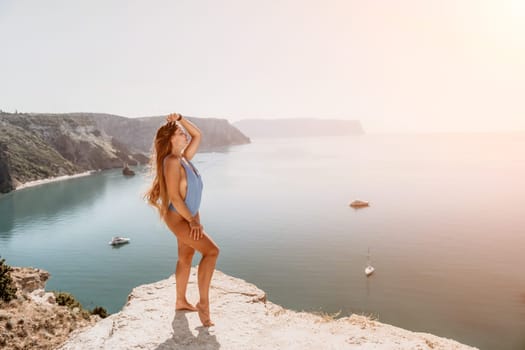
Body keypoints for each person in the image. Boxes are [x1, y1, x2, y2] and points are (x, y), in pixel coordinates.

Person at [144, 112, 219, 327]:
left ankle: (180, 301)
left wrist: (180, 119)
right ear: (170, 139)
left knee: (186, 258)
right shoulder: (171, 161)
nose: (185, 135)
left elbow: (198, 134)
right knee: (212, 252)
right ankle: (203, 304)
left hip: (190, 214)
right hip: (179, 217)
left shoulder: (184, 158)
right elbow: (175, 198)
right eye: (180, 133)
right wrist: (192, 221)